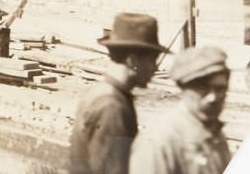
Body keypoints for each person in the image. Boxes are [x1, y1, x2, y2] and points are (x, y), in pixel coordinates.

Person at [69, 12, 166, 174]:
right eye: (152, 60)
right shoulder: (113, 107)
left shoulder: (99, 92)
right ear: (132, 61)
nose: (155, 68)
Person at [129, 46, 231, 174]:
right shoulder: (160, 141)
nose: (213, 97)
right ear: (184, 88)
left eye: (220, 88)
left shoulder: (216, 136)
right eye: (203, 88)